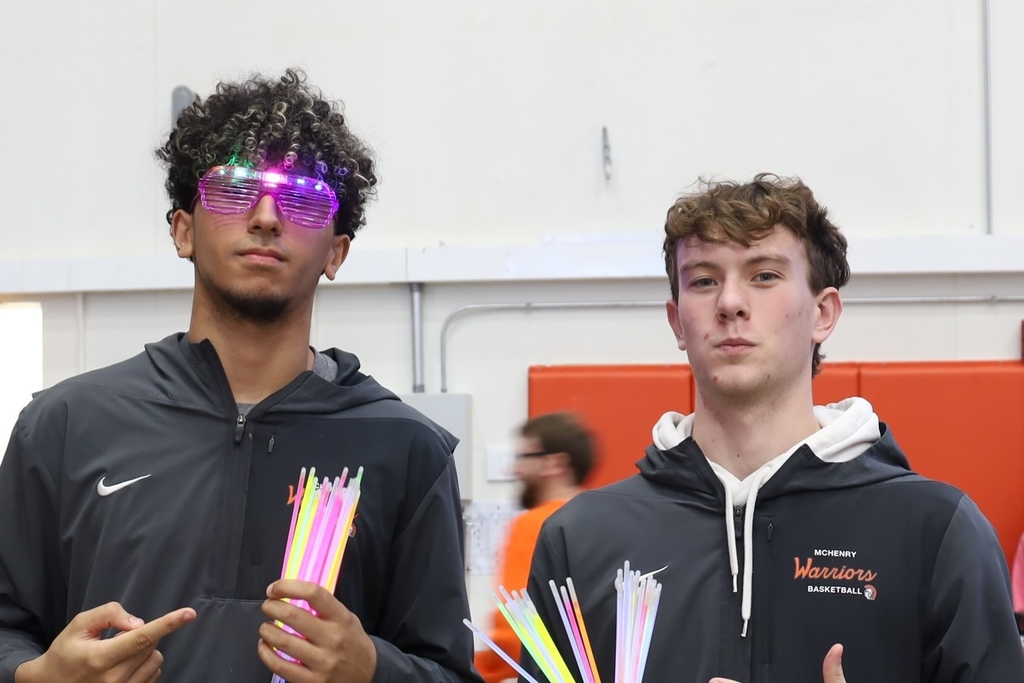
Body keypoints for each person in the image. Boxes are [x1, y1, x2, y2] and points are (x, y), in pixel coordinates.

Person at [0, 69, 480, 682]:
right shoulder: (66, 425)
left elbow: (449, 671)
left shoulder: (406, 448)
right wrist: (31, 675)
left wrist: (373, 670)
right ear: (182, 231)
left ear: (336, 252)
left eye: (304, 199)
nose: (266, 216)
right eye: (232, 190)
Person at [522, 174, 1024, 682]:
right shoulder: (580, 540)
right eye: (703, 280)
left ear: (822, 314)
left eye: (763, 276)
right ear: (677, 322)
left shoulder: (936, 533)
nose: (730, 303)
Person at [474, 413, 594, 683]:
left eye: (524, 458)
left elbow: (515, 631)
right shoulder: (605, 522)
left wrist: (470, 668)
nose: (514, 470)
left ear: (555, 464)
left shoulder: (531, 526)